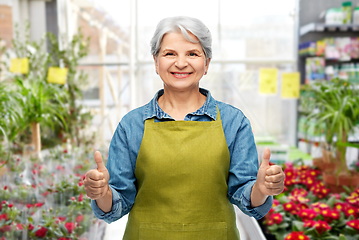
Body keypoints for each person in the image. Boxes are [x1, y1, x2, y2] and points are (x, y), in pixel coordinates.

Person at [84, 16, 285, 240]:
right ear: (156, 61)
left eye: (192, 53)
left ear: (207, 63)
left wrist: (261, 188)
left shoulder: (233, 122)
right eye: (170, 54)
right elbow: (117, 203)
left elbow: (247, 199)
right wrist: (102, 193)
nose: (181, 63)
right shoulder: (131, 125)